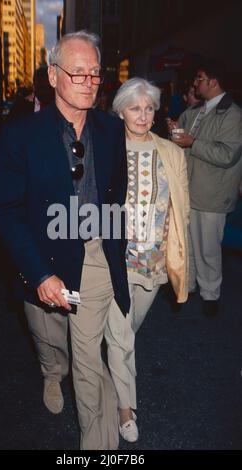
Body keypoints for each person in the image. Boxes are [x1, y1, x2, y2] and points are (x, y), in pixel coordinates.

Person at [0, 30, 130, 450]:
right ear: (53, 76)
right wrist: (39, 272)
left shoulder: (110, 130)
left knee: (88, 357)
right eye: (78, 73)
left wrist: (117, 244)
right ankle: (52, 371)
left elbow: (115, 193)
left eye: (95, 74)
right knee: (51, 337)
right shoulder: (19, 136)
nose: (89, 82)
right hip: (43, 255)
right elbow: (6, 209)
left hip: (94, 254)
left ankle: (98, 449)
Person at [105, 78, 190, 442]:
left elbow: (182, 208)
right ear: (121, 110)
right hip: (116, 260)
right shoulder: (107, 149)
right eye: (134, 108)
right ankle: (125, 408)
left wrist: (177, 249)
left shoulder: (172, 152)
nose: (143, 116)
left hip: (154, 261)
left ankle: (112, 363)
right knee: (122, 335)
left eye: (149, 108)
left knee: (128, 330)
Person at [167, 59, 242, 316]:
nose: (195, 83)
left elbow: (227, 154)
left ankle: (211, 295)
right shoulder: (196, 110)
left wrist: (191, 141)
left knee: (208, 248)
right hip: (190, 189)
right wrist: (175, 132)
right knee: (186, 244)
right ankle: (188, 287)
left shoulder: (232, 115)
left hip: (213, 193)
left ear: (214, 82)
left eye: (200, 78)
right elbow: (182, 140)